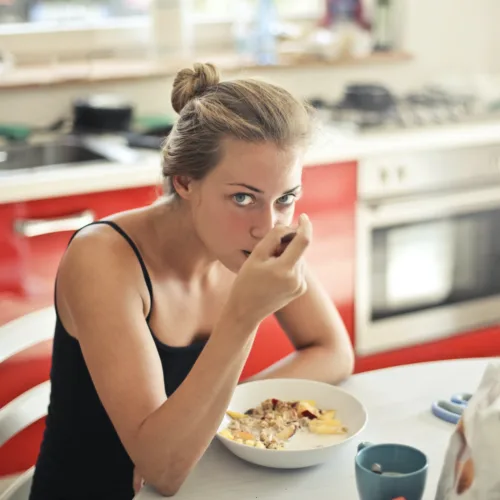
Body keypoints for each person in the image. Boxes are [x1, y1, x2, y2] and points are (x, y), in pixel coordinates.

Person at [29, 62, 354, 499]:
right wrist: (244, 315)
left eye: (286, 198)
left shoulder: (257, 236)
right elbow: (163, 469)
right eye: (242, 197)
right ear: (184, 182)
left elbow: (333, 351)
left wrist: (207, 418)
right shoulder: (104, 259)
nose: (267, 226)